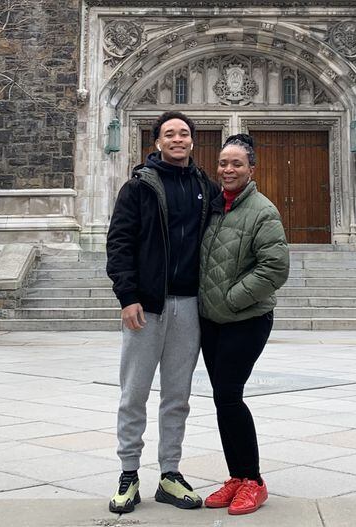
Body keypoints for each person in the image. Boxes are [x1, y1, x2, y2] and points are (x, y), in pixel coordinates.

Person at [106, 111, 219, 513]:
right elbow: (119, 243)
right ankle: (128, 474)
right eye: (169, 133)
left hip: (190, 306)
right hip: (147, 307)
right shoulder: (137, 188)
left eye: (184, 133)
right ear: (156, 142)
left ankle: (170, 474)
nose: (177, 139)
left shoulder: (206, 186)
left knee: (178, 396)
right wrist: (128, 295)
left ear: (192, 141)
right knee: (133, 393)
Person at [198, 134, 290, 515]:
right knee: (221, 398)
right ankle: (236, 476)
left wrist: (232, 298)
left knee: (230, 395)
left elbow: (275, 268)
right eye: (223, 163)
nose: (228, 170)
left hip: (246, 319)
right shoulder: (214, 207)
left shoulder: (262, 211)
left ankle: (253, 480)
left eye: (236, 164)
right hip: (212, 321)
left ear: (252, 169)